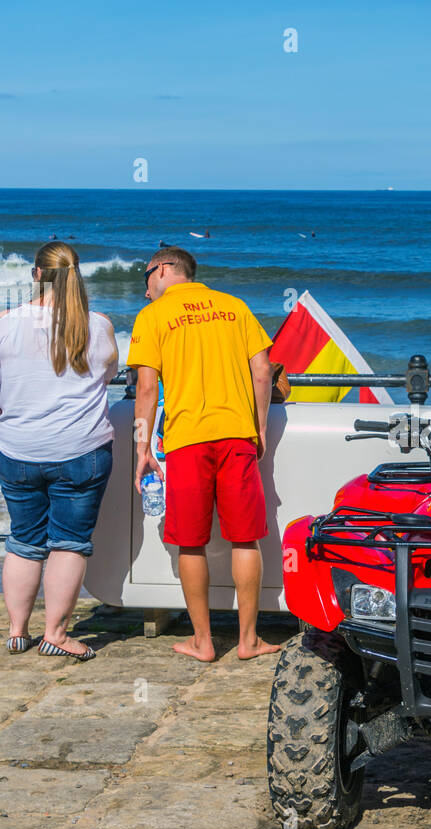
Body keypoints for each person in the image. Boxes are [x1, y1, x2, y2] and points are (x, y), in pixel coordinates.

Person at [128, 247, 279, 663]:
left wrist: (142, 447)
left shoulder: (153, 316)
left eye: (145, 279)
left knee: (190, 543)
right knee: (244, 537)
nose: (144, 292)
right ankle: (248, 640)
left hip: (188, 440)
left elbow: (145, 389)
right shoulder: (235, 307)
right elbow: (263, 371)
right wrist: (260, 425)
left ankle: (203, 641)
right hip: (236, 436)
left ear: (161, 270)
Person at [0, 241, 118, 661]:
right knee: (69, 543)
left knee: (24, 540)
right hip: (81, 449)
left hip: (19, 450)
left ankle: (17, 631)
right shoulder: (99, 325)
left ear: (37, 274)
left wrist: (2, 418)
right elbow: (107, 376)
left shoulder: (4, 323)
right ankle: (56, 634)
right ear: (78, 274)